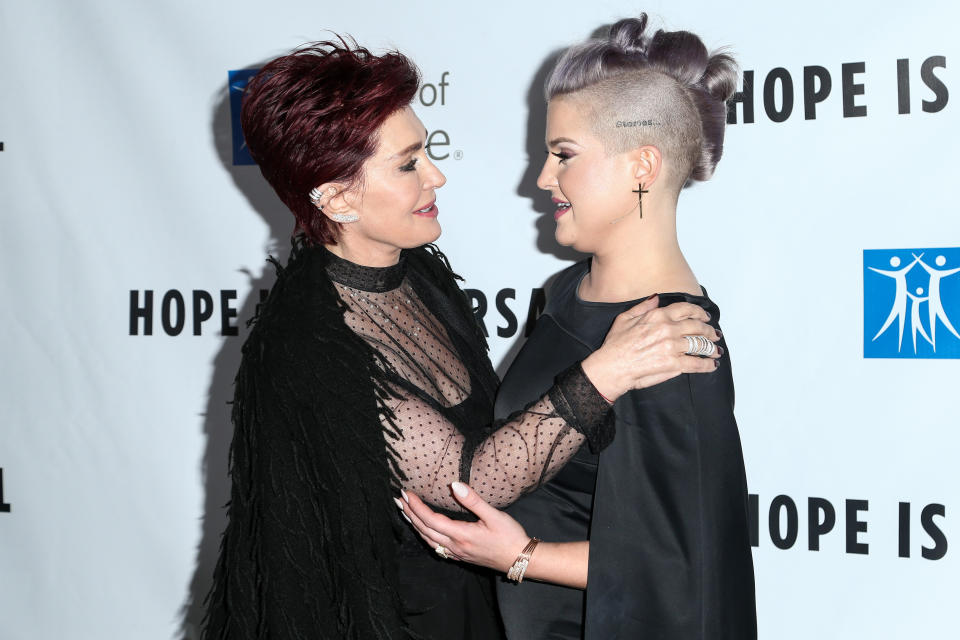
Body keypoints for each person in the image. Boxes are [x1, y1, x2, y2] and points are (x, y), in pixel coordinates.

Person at [202, 36, 724, 640]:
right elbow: (467, 482)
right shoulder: (310, 346)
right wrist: (608, 371)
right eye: (407, 165)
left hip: (491, 601)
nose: (437, 175)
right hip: (400, 621)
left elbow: (685, 552)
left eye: (425, 151)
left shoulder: (417, 271)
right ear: (339, 197)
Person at [399, 15, 757, 639]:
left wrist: (520, 556)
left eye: (563, 155)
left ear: (642, 166)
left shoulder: (672, 342)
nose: (541, 178)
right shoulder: (566, 291)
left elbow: (684, 568)